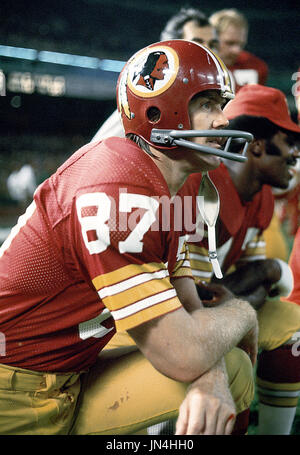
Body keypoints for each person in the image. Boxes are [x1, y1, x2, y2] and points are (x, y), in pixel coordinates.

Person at [0, 40, 257, 436]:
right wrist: (243, 313)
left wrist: (211, 375)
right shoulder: (115, 187)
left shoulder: (181, 181)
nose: (222, 121)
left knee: (230, 370)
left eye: (219, 106)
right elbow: (184, 354)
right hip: (13, 387)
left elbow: (188, 305)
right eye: (207, 104)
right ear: (158, 109)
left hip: (76, 368)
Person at [183, 84, 300, 434]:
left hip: (208, 309)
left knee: (291, 322)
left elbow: (251, 284)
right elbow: (199, 301)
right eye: (288, 141)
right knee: (232, 359)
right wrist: (263, 274)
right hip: (160, 323)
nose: (295, 154)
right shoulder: (203, 189)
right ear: (259, 145)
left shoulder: (261, 196)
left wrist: (259, 277)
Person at [91, 6, 219, 143]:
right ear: (171, 48)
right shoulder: (153, 92)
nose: (207, 51)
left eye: (212, 44)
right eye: (197, 43)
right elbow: (102, 148)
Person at [209, 9, 268, 92]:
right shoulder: (198, 66)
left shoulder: (256, 66)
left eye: (241, 44)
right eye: (230, 43)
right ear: (212, 40)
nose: (236, 50)